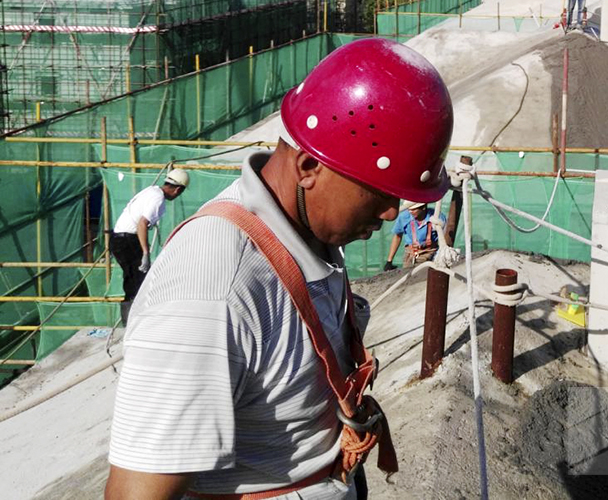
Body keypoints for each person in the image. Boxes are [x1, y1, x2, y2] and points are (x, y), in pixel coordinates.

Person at [105, 38, 454, 500]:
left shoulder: (307, 230)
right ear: (309, 165)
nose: (393, 212)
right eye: (380, 192)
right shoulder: (212, 288)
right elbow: (137, 495)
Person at [110, 168, 188, 324]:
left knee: (132, 278)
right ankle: (134, 322)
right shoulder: (157, 198)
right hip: (126, 240)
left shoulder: (152, 190)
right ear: (178, 189)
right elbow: (142, 224)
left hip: (119, 238)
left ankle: (130, 320)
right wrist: (145, 253)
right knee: (138, 280)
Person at [384, 200, 450, 269]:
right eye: (409, 209)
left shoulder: (436, 217)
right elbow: (397, 236)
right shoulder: (404, 217)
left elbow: (444, 236)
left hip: (430, 253)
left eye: (414, 209)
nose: (410, 212)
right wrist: (389, 261)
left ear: (423, 207)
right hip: (410, 254)